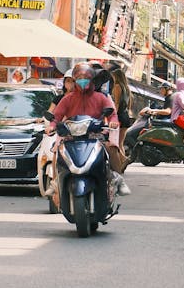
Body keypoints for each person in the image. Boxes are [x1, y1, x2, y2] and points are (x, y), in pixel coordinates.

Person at [49, 61, 130, 195]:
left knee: (112, 147)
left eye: (86, 78)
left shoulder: (101, 97)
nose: (82, 81)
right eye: (79, 78)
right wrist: (52, 125)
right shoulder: (68, 99)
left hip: (95, 133)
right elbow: (56, 115)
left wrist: (113, 122)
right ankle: (56, 182)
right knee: (57, 150)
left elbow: (112, 114)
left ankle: (118, 179)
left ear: (92, 80)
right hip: (72, 134)